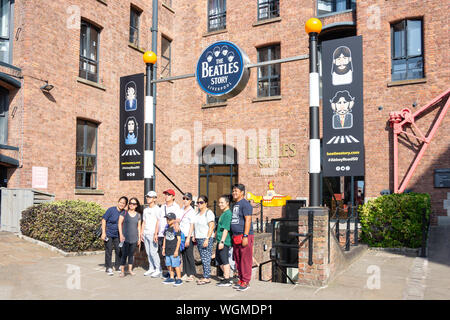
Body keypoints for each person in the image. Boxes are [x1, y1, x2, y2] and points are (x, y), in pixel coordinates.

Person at [231, 183, 254, 291]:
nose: (234, 193)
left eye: (236, 191)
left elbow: (248, 220)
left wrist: (245, 236)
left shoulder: (246, 204)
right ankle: (241, 279)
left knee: (245, 259)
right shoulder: (235, 204)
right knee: (238, 259)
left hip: (244, 235)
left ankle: (246, 281)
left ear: (242, 193)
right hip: (235, 236)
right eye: (233, 191)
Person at [101, 196, 128, 276]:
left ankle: (118, 266)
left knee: (119, 250)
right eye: (121, 202)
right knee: (108, 250)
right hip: (108, 233)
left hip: (118, 235)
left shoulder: (125, 212)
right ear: (118, 202)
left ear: (125, 205)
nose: (121, 204)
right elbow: (104, 220)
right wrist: (103, 233)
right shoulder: (111, 210)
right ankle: (108, 267)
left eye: (124, 203)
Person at [157, 189, 180, 277]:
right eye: (166, 194)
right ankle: (170, 272)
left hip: (171, 233)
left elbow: (177, 219)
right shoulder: (162, 207)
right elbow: (158, 220)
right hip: (162, 233)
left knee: (173, 255)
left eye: (168, 195)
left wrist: (175, 229)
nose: (166, 196)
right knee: (165, 255)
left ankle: (175, 274)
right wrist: (156, 233)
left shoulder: (176, 207)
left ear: (173, 197)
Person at [193, 195, 215, 285]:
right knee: (203, 257)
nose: (199, 204)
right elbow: (196, 226)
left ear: (206, 203)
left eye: (201, 202)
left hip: (206, 238)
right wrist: (194, 235)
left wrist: (207, 239)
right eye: (198, 202)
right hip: (199, 238)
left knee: (206, 257)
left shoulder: (208, 213)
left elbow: (211, 226)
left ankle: (207, 277)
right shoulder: (197, 213)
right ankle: (205, 275)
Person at [118, 197, 142, 277]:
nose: (132, 205)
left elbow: (139, 227)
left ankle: (130, 270)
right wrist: (121, 235)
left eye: (134, 204)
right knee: (124, 254)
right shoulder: (124, 213)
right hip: (125, 238)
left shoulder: (138, 215)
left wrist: (139, 238)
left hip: (134, 238)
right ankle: (122, 271)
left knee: (131, 255)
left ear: (136, 205)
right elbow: (119, 224)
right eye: (130, 203)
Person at [141, 191, 162, 278]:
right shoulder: (145, 210)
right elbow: (144, 222)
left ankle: (158, 269)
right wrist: (141, 232)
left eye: (149, 197)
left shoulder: (157, 209)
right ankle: (151, 268)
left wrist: (156, 233)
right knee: (148, 252)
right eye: (147, 197)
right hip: (146, 233)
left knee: (154, 252)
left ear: (154, 198)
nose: (148, 198)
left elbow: (158, 221)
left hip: (153, 233)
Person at [177, 192, 196, 282]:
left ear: (190, 201)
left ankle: (191, 273)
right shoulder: (181, 209)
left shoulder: (192, 211)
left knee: (189, 255)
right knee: (183, 255)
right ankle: (185, 272)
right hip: (181, 235)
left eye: (187, 199)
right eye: (184, 198)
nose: (185, 200)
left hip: (187, 235)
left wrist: (189, 237)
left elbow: (192, 225)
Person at [215, 194, 233, 287]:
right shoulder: (223, 213)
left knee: (224, 259)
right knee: (219, 259)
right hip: (220, 240)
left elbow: (226, 228)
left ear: (227, 203)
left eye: (222, 202)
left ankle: (227, 279)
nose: (220, 204)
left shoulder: (228, 214)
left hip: (224, 241)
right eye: (219, 202)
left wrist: (222, 241)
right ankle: (227, 277)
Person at [162, 212, 183, 286]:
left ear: (174, 220)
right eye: (167, 219)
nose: (167, 220)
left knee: (176, 265)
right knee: (169, 265)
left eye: (169, 219)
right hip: (168, 250)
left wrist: (176, 250)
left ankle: (179, 278)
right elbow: (165, 238)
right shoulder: (166, 228)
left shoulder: (176, 228)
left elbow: (179, 240)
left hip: (174, 250)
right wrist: (163, 248)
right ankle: (171, 277)